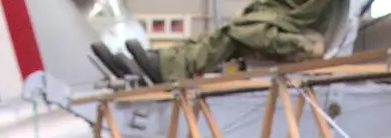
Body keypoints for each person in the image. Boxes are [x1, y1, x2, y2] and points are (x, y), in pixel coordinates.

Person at [95, 0, 347, 83]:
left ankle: (163, 67)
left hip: (304, 36)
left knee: (234, 33)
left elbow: (303, 15)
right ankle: (156, 62)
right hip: (292, 26)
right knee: (226, 32)